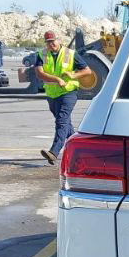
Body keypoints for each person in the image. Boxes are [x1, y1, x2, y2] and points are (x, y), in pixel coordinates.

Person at [35, 30, 91, 164]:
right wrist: (56, 80)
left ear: (58, 40)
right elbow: (40, 74)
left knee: (61, 120)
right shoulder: (41, 55)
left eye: (53, 41)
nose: (51, 44)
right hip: (52, 95)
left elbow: (87, 71)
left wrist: (74, 75)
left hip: (68, 92)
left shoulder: (70, 54)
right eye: (48, 42)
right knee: (66, 125)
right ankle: (80, 152)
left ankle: (54, 152)